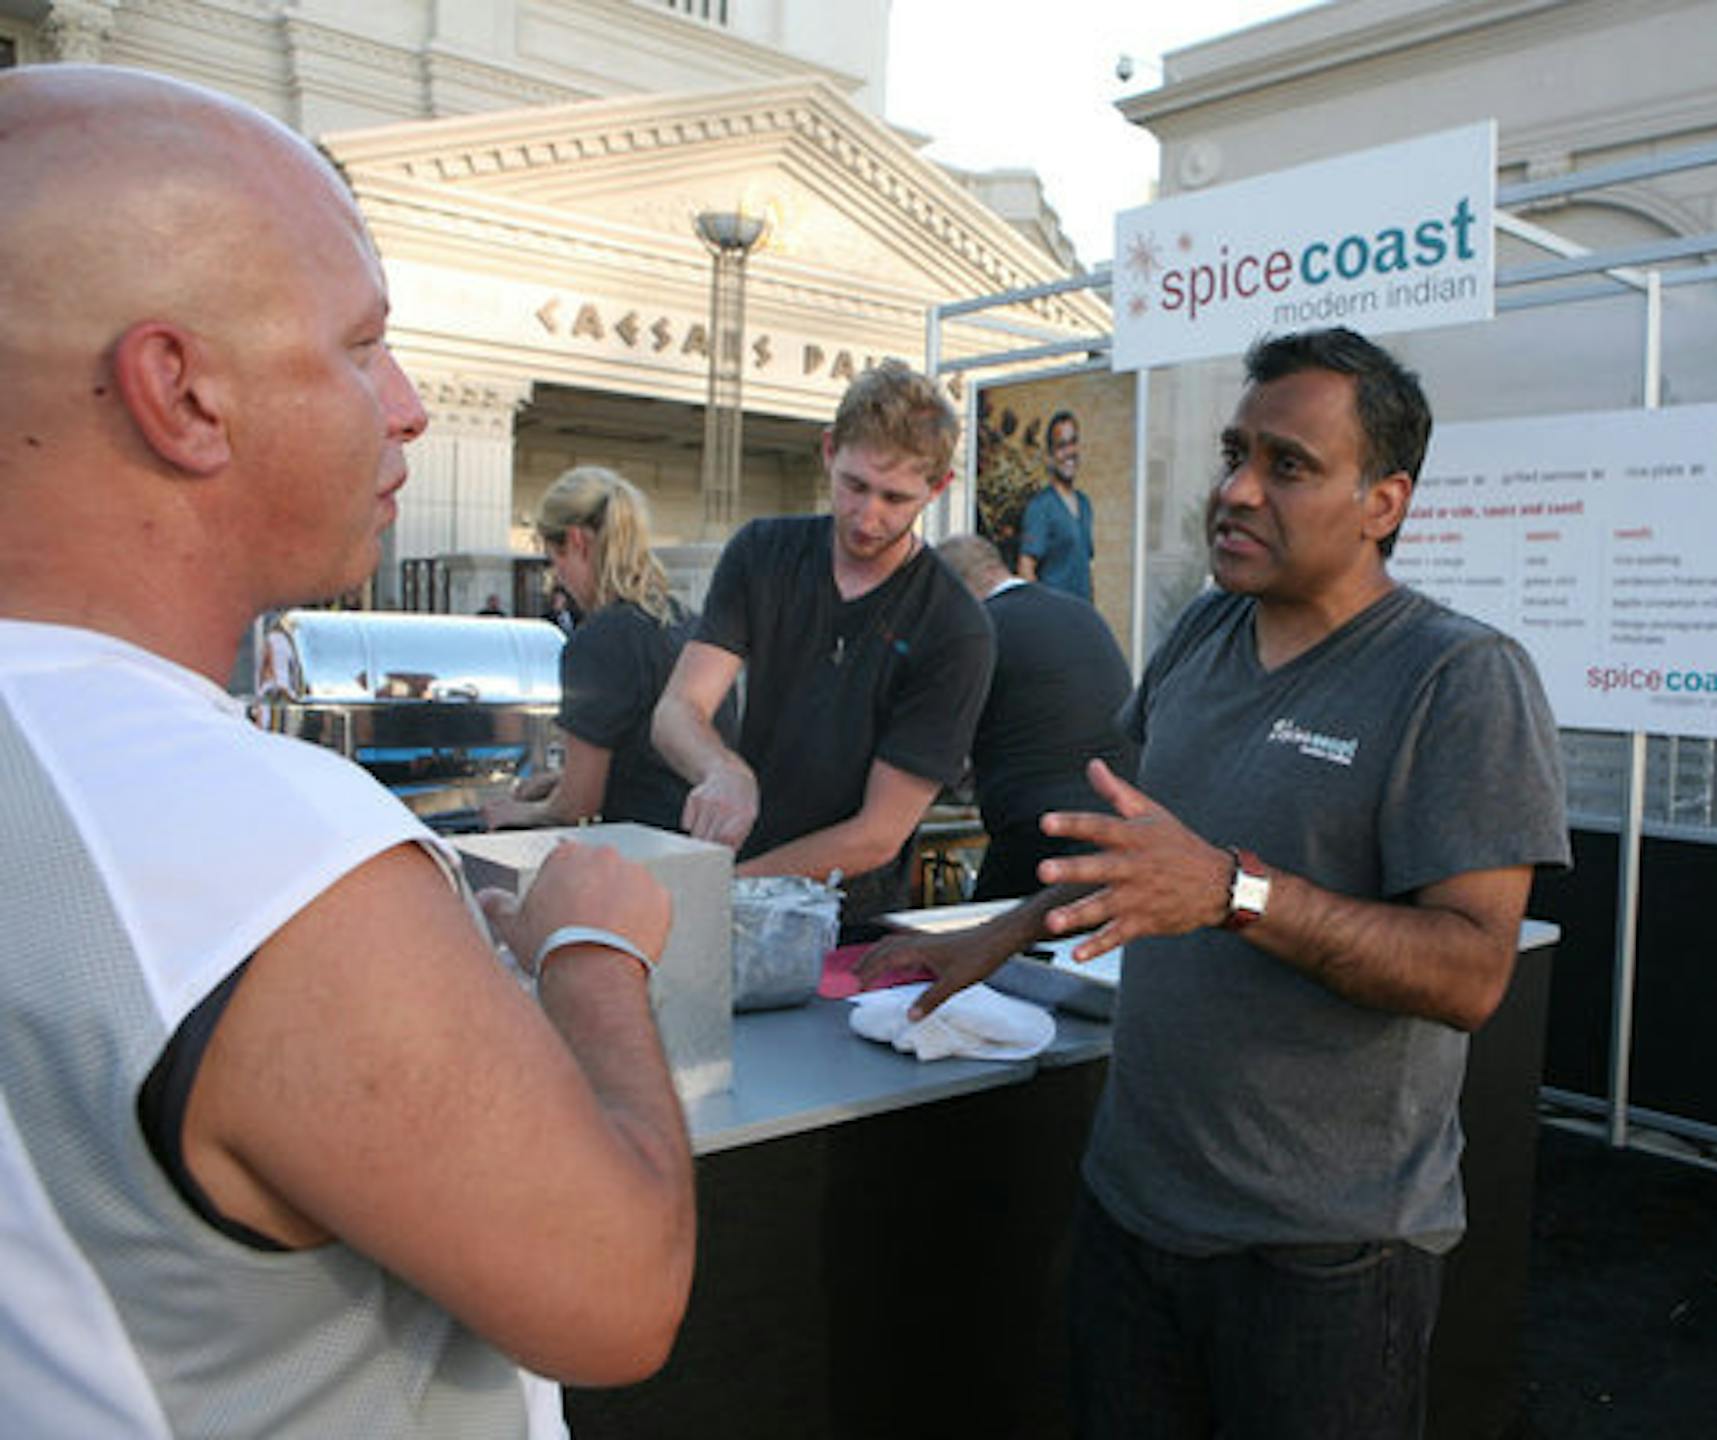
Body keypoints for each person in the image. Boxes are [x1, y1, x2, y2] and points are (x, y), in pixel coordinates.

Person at [0, 66, 694, 1437]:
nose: (411, 405)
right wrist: (593, 958)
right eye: (361, 344)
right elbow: (622, 1293)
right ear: (183, 395)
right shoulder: (258, 841)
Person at [862, 328, 1570, 1438]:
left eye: (1288, 466)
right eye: (1235, 453)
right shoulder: (1203, 631)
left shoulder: (1459, 678)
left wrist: (1239, 896)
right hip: (1131, 1213)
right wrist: (994, 938)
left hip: (1323, 1262)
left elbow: (1474, 969)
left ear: (1384, 501)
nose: (1237, 490)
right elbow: (1137, 851)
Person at [651, 360, 994, 932]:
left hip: (846, 914)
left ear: (937, 489)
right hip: (738, 858)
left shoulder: (954, 626)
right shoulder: (763, 554)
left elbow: (878, 834)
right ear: (829, 450)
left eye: (896, 498)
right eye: (855, 486)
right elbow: (677, 710)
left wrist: (729, 892)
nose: (868, 517)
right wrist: (722, 769)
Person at [484, 466, 692, 834]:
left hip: (643, 852)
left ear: (577, 541)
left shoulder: (599, 639)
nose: (558, 579)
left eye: (554, 560)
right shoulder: (686, 621)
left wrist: (516, 813)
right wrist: (560, 780)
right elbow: (652, 762)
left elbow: (577, 806)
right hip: (704, 851)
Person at [933, 534, 1138, 901]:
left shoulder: (979, 628)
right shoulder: (1080, 611)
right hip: (1121, 827)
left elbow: (937, 745)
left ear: (951, 591)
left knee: (980, 946)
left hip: (1038, 834)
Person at [1018, 408, 1095, 601]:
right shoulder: (1041, 507)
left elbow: (1086, 567)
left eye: (1073, 442)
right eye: (1061, 446)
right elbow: (1026, 569)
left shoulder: (1085, 504)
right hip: (1055, 618)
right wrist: (1042, 615)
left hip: (1081, 617)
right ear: (1051, 455)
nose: (1069, 452)